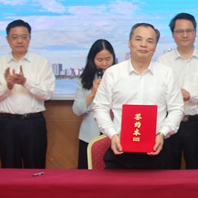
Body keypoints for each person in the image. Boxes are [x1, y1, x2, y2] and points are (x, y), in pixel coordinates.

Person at [93, 23, 184, 169]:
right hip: (120, 151)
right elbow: (100, 108)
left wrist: (162, 134)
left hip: (157, 151)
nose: (144, 45)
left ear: (155, 46)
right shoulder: (113, 73)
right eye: (138, 39)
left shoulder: (167, 74)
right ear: (129, 43)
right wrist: (112, 134)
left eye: (150, 41)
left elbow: (177, 109)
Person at [0, 19, 55, 169]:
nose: (19, 41)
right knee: (9, 169)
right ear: (7, 39)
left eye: (24, 37)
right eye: (14, 37)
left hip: (33, 123)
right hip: (8, 124)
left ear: (30, 38)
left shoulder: (41, 63)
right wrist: (7, 86)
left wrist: (25, 82)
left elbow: (47, 94)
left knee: (35, 169)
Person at [157, 13, 198, 170]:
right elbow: (157, 93)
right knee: (168, 170)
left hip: (196, 124)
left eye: (189, 30)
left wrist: (191, 95)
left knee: (197, 171)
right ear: (173, 34)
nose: (185, 35)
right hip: (169, 124)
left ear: (195, 33)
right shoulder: (163, 61)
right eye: (179, 31)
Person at [72, 39, 116, 169]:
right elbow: (77, 110)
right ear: (92, 59)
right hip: (89, 136)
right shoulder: (84, 79)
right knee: (87, 175)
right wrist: (92, 93)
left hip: (115, 136)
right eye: (99, 60)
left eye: (108, 59)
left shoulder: (121, 77)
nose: (104, 64)